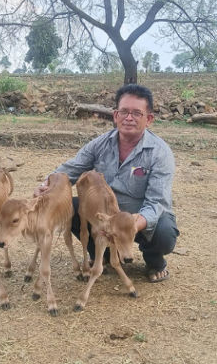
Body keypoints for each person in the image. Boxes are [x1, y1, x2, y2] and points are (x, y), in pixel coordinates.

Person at [39, 84, 178, 283]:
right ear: (115, 115)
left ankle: (154, 260)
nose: (129, 118)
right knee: (72, 207)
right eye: (124, 112)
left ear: (149, 119)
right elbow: (72, 169)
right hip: (105, 216)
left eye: (137, 113)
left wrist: (131, 225)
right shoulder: (100, 144)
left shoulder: (160, 153)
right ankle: (100, 254)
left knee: (165, 232)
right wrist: (48, 184)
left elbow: (157, 202)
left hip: (137, 218)